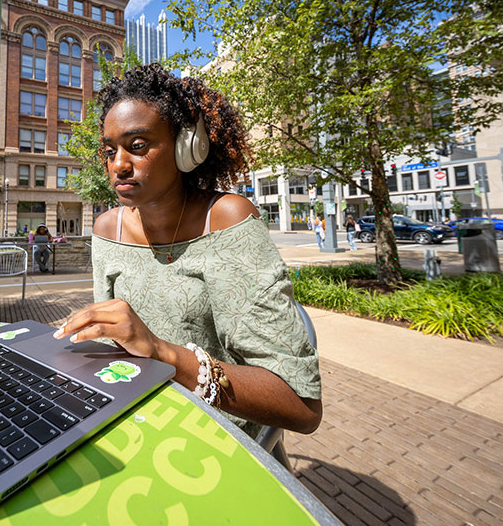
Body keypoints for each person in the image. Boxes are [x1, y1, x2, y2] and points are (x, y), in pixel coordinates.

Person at [55, 63, 321, 437]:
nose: (118, 165)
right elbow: (113, 345)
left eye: (137, 146)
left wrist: (161, 353)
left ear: (186, 147)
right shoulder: (106, 228)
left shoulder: (227, 219)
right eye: (109, 150)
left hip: (210, 435)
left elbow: (301, 405)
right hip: (130, 418)